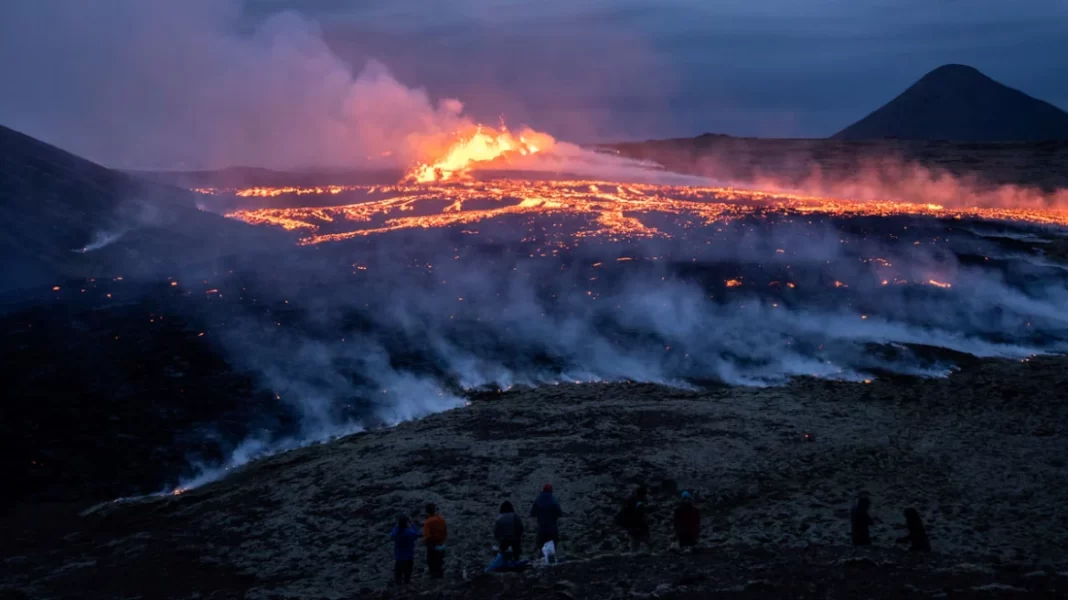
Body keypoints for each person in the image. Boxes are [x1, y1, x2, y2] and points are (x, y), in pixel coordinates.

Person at [530, 483, 564, 553]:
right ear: (551, 491)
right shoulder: (553, 500)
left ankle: (542, 561)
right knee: (552, 549)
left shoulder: (538, 500)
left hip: (541, 529)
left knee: (542, 548)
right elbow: (560, 513)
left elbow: (532, 513)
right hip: (552, 529)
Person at [390, 515, 422, 585]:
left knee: (398, 575)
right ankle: (406, 587)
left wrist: (397, 525)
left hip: (399, 557)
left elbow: (391, 534)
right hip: (409, 556)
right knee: (407, 575)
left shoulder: (396, 534)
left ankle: (398, 589)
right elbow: (417, 532)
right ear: (406, 523)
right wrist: (412, 524)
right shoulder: (410, 533)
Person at [618, 485, 651, 552]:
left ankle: (633, 557)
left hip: (630, 526)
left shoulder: (630, 501)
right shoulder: (639, 503)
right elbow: (642, 516)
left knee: (634, 545)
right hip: (639, 526)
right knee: (646, 542)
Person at [423, 503, 448, 579]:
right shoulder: (441, 519)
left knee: (431, 562)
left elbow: (428, 536)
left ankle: (434, 577)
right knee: (440, 561)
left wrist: (425, 542)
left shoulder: (428, 522)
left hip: (433, 545)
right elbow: (445, 532)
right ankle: (440, 576)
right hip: (442, 543)